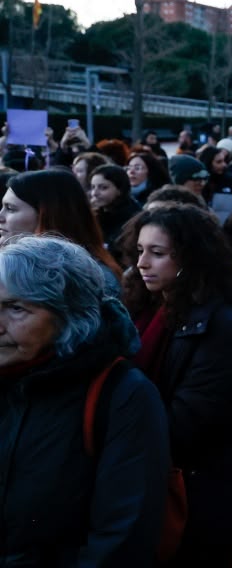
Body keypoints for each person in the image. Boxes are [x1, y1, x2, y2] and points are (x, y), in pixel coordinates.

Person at [0, 235, 169, 565]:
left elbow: (123, 539)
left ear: (70, 316)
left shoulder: (122, 394)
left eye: (16, 309)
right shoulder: (9, 373)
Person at [120, 205, 232, 566]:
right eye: (140, 251)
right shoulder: (147, 309)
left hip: (200, 495)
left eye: (158, 253)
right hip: (157, 482)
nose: (143, 263)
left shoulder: (218, 326)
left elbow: (188, 424)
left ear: (191, 257)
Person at [1, 170, 123, 291]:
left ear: (49, 215)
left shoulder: (93, 279)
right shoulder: (15, 263)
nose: (1, 216)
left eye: (10, 208)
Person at [89, 164, 143, 248]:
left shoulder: (132, 218)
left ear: (120, 190)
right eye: (93, 187)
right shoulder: (97, 212)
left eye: (103, 188)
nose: (95, 193)